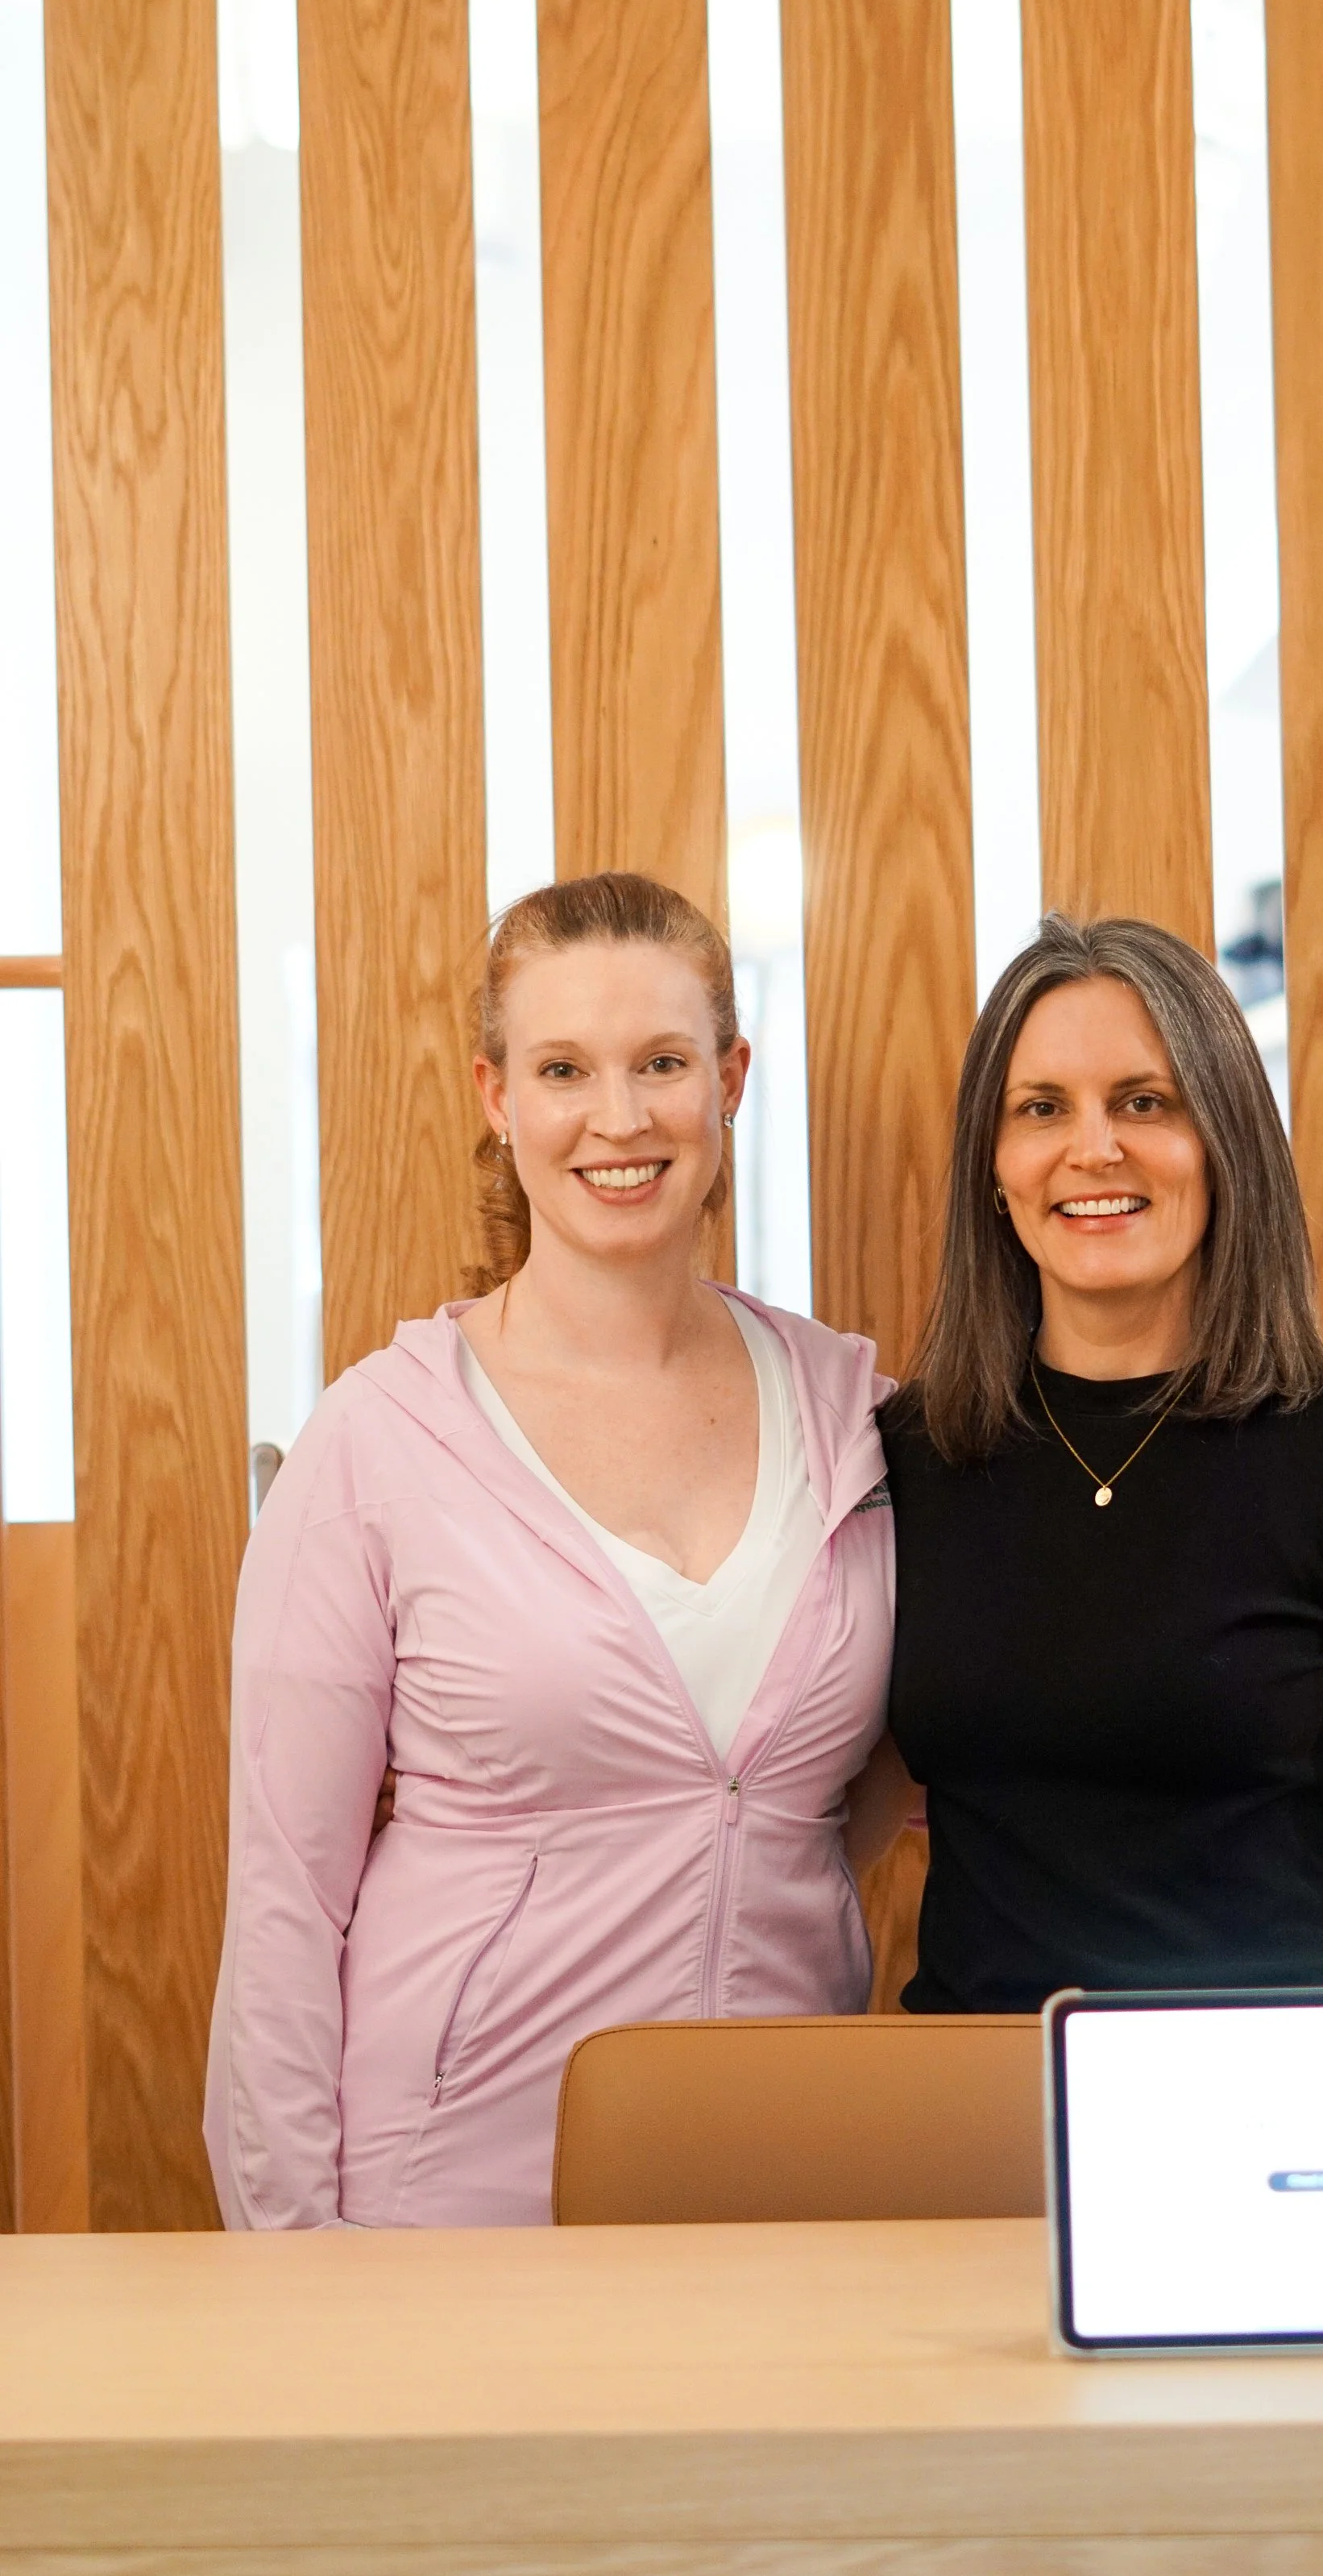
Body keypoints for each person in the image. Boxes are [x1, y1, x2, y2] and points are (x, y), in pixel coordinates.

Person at [205, 871, 912, 2229]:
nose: (619, 1117)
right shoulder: (379, 1444)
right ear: (497, 1096)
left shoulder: (859, 1420)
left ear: (731, 1078)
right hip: (454, 2201)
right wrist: (289, 2267)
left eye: (662, 1062)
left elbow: (883, 1770)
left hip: (785, 2192)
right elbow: (284, 1908)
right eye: (563, 1068)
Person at [878, 913, 1323, 2011]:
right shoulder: (907, 1460)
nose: (1094, 1147)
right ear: (996, 1165)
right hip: (975, 2111)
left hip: (1272, 2108)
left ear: (1224, 1140)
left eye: (1144, 1100)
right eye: (1042, 1108)